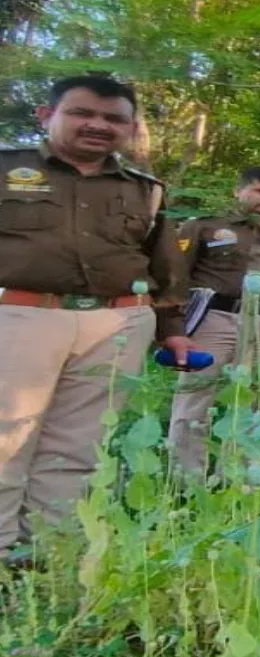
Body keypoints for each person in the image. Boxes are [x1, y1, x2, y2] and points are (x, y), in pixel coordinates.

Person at [0, 76, 188, 562]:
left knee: (79, 446)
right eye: (82, 113)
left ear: (130, 127)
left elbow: (164, 264)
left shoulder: (146, 190)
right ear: (47, 115)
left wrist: (172, 331)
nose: (98, 125)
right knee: (5, 438)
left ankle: (45, 560)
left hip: (118, 323)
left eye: (113, 119)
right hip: (19, 315)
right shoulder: (7, 168)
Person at [166, 167, 260, 476]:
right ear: (240, 191)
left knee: (257, 405)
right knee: (195, 400)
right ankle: (185, 482)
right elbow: (173, 278)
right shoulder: (204, 227)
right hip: (215, 320)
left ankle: (241, 480)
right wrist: (172, 326)